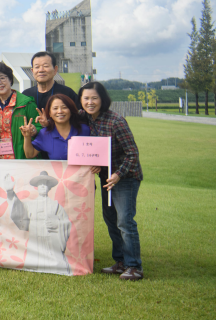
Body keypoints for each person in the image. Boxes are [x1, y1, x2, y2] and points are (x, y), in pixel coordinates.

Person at [78, 81, 144, 281]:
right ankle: (120, 261)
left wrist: (117, 174)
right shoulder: (84, 118)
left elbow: (132, 153)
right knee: (111, 220)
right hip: (106, 177)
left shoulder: (116, 121)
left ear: (103, 99)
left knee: (125, 221)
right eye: (86, 98)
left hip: (125, 177)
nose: (90, 102)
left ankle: (134, 266)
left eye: (94, 98)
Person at [1, 171, 72, 274]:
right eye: (40, 184)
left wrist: (57, 223)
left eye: (45, 184)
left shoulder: (56, 206)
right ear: (37, 187)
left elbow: (66, 223)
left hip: (51, 244)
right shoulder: (30, 205)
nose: (43, 186)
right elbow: (19, 212)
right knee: (33, 265)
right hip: (35, 244)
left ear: (49, 187)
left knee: (59, 266)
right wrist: (10, 192)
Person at [0, 62, 40, 160]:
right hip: (0, 159)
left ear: (10, 79)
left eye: (2, 78)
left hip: (23, 158)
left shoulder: (26, 103)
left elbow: (41, 127)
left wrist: (33, 130)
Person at [22, 94, 90, 160]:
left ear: (71, 111)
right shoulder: (45, 133)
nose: (60, 111)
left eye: (64, 107)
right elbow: (30, 154)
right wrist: (27, 137)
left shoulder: (84, 130)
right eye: (55, 108)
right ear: (50, 113)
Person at [22, 52, 78, 125]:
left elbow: (77, 119)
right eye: (37, 67)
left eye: (46, 66)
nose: (41, 70)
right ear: (32, 71)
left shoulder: (67, 93)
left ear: (55, 69)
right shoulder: (26, 95)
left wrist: (49, 125)